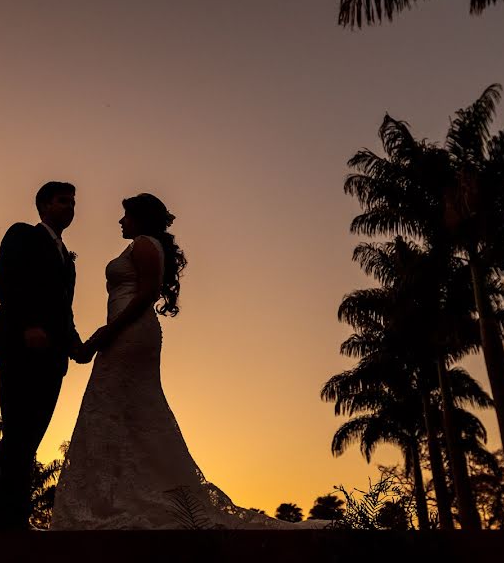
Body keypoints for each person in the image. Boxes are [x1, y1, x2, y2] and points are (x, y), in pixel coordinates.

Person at [51, 193, 311, 529]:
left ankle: (129, 500)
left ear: (140, 219)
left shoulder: (144, 244)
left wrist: (105, 333)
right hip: (126, 333)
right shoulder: (144, 245)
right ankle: (120, 497)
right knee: (128, 410)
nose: (120, 221)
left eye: (125, 215)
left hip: (129, 333)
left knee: (113, 403)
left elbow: (146, 294)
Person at [0, 181, 89, 530]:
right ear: (43, 206)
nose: (70, 207)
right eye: (62, 201)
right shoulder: (22, 234)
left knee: (28, 436)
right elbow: (6, 282)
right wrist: (28, 325)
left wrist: (73, 342)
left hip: (53, 357)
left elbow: (64, 309)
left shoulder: (67, 260)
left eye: (73, 203)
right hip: (20, 347)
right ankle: (8, 520)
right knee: (19, 432)